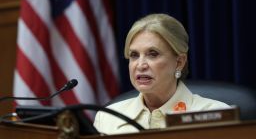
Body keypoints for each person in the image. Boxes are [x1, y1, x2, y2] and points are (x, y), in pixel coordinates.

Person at [93, 13, 229, 134]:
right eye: (134, 55)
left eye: (153, 54)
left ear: (179, 62)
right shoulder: (108, 117)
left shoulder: (217, 114)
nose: (140, 65)